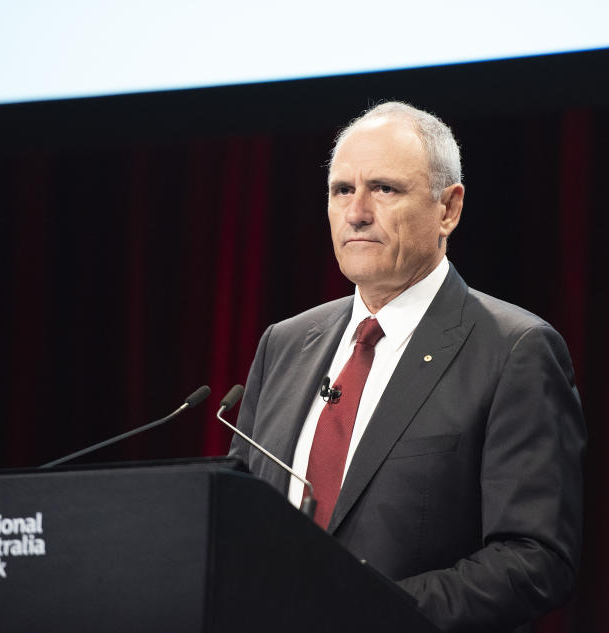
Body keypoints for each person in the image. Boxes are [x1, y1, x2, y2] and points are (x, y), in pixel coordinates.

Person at [230, 101, 586, 632]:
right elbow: (237, 523)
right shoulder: (285, 343)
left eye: (385, 189)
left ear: (449, 209)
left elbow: (534, 560)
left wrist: (365, 608)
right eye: (342, 190)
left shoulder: (515, 349)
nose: (356, 212)